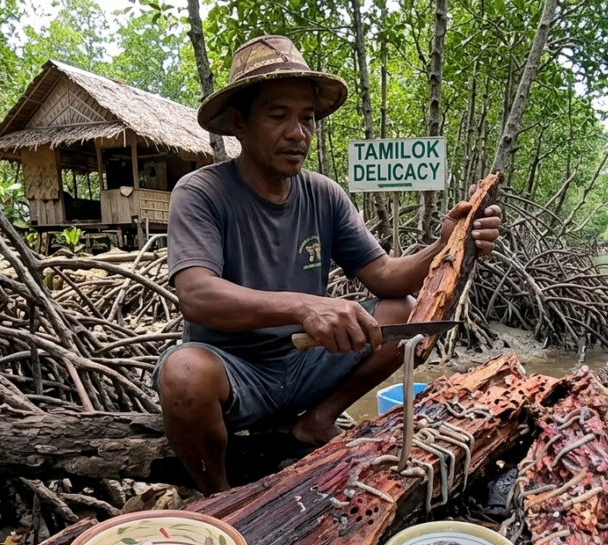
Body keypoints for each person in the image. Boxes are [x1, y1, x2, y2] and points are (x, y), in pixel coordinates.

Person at [154, 35, 501, 495]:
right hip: (236, 373)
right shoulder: (201, 192)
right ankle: (219, 499)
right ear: (239, 122)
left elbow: (385, 276)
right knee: (184, 373)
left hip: (305, 365)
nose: (298, 133)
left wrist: (445, 244)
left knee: (402, 311)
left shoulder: (324, 194)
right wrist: (305, 307)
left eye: (307, 119)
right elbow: (196, 295)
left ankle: (316, 423)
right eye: (278, 116)